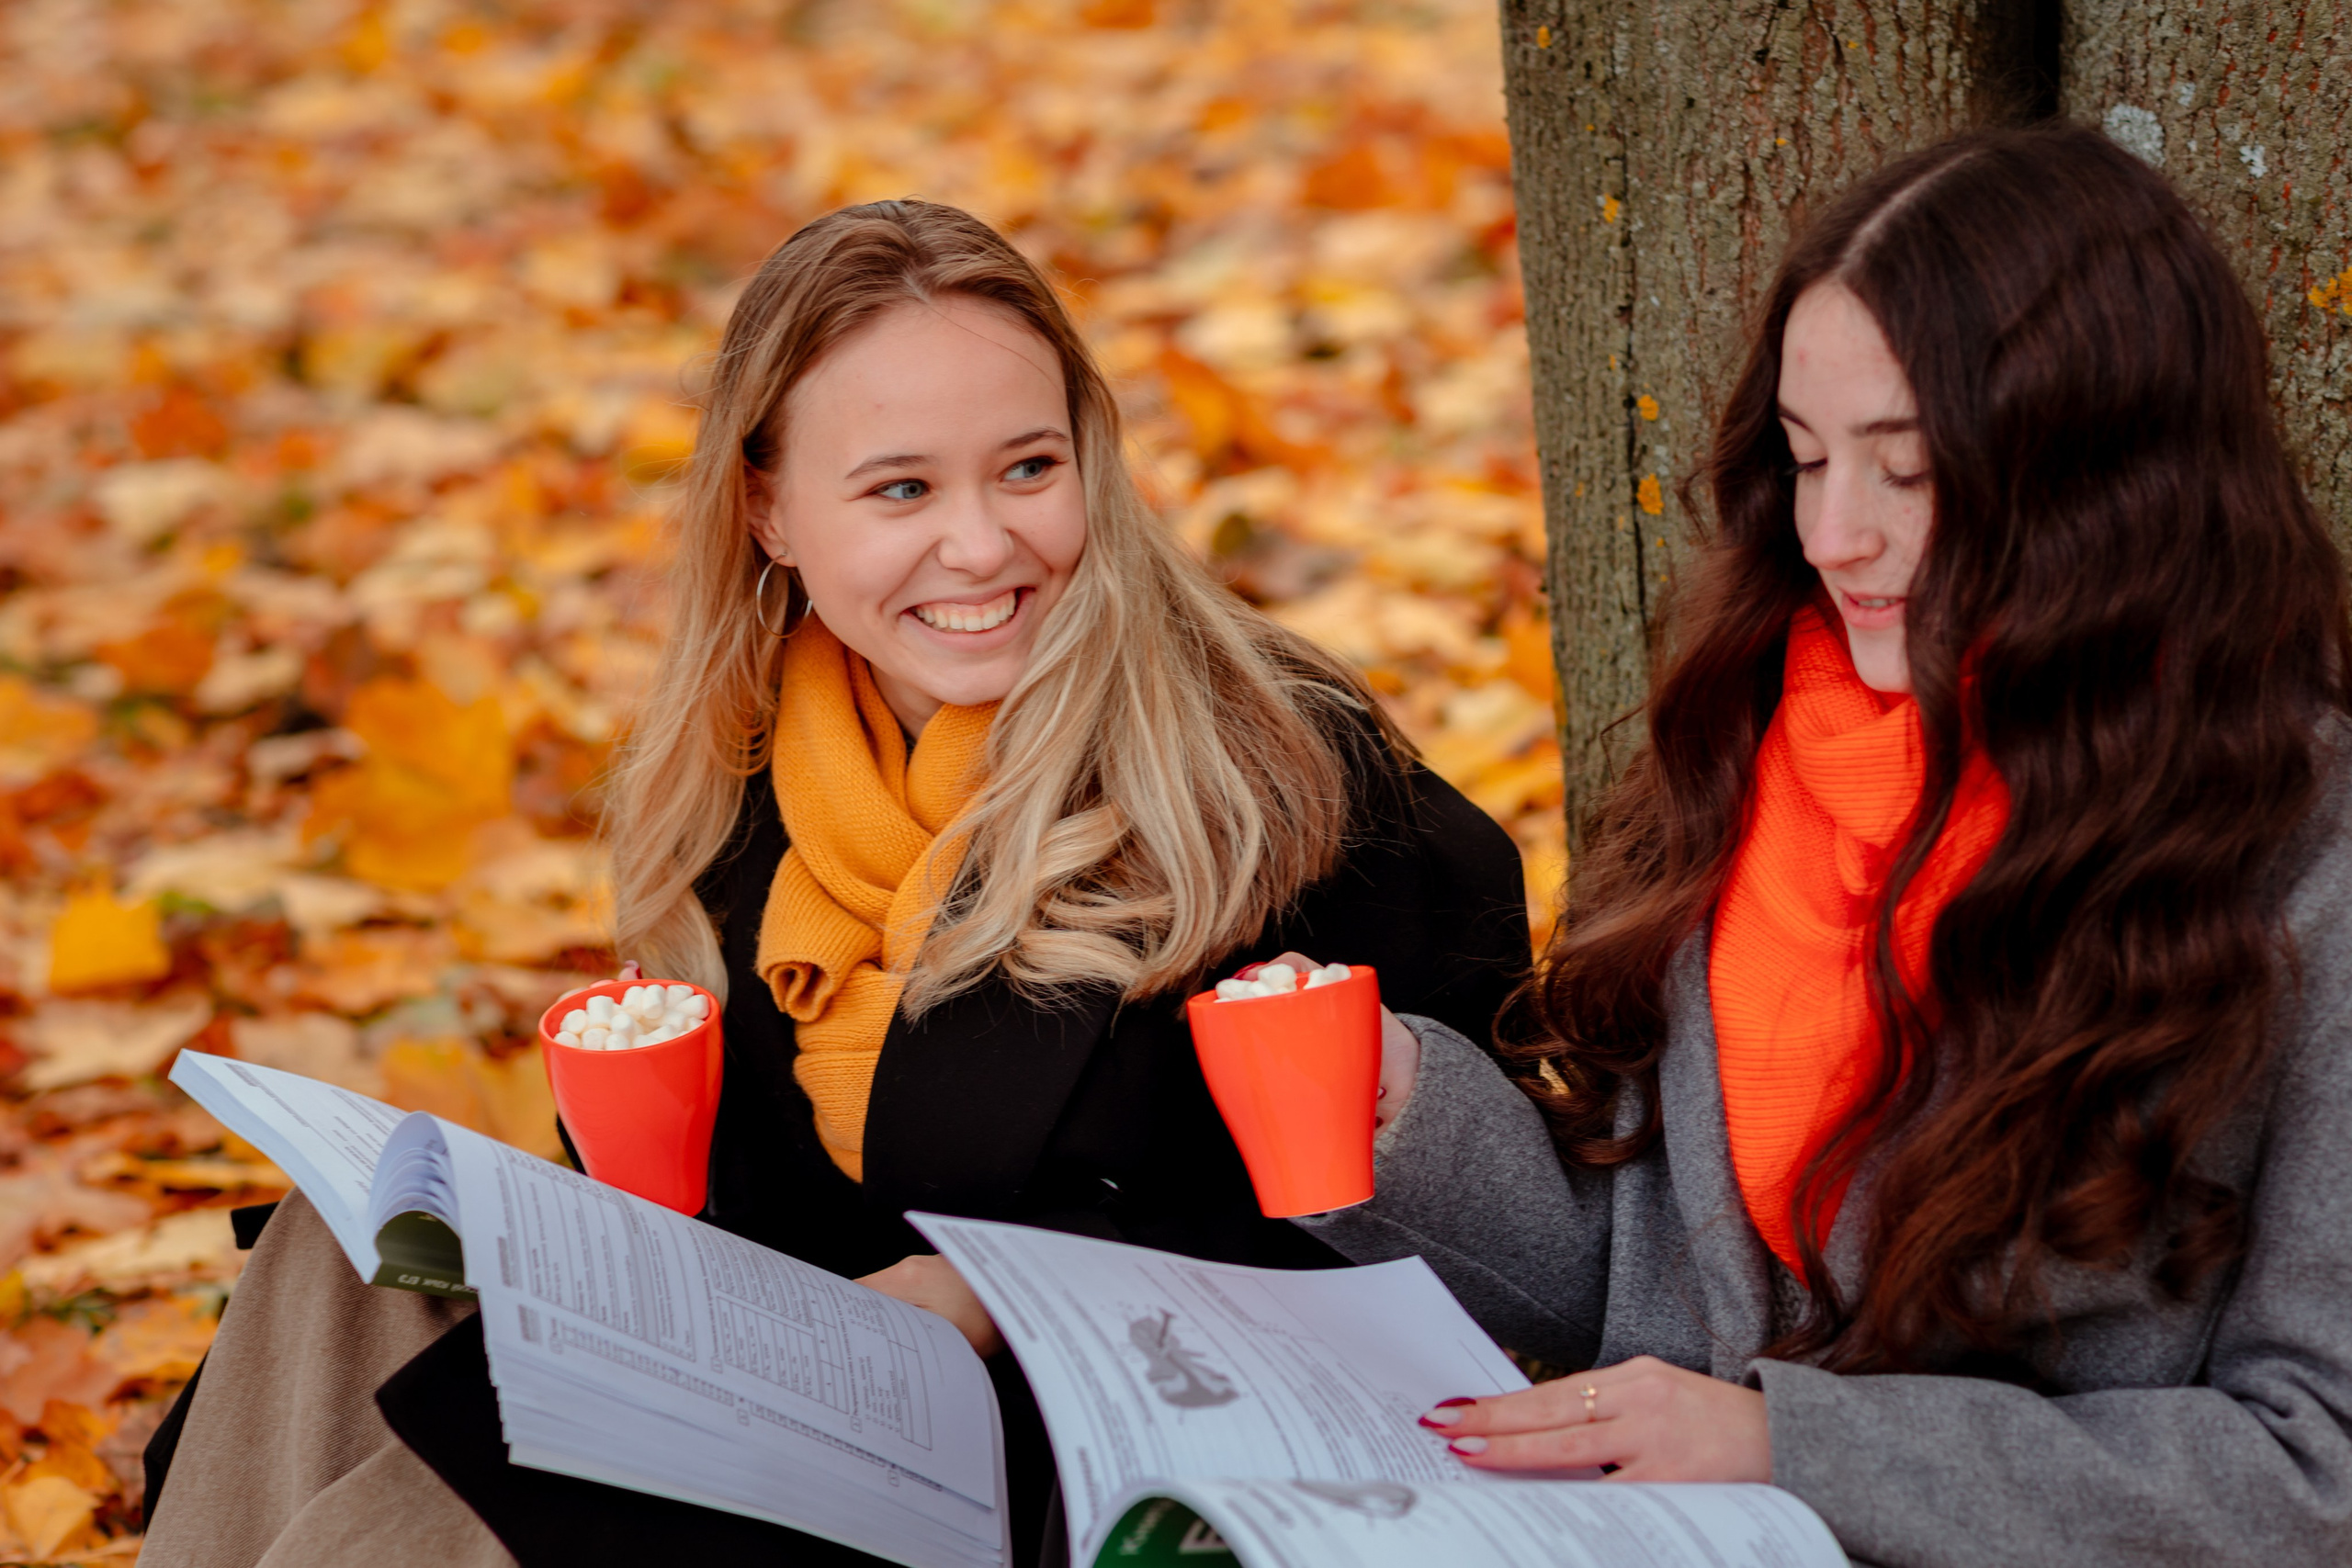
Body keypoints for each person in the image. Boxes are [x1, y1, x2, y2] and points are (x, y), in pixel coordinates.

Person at [138, 199, 1528, 1568]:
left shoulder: (1267, 769)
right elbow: (727, 1207)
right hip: (785, 1382)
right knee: (341, 1251)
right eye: (902, 489)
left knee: (437, 1513)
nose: (983, 547)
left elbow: (1437, 1255)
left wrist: (987, 1288)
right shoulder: (739, 779)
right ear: (770, 512)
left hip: (1071, 1456)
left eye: (1029, 469)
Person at [1283, 122, 2352, 1565]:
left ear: (2112, 476)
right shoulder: (1758, 733)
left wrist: (1800, 1449)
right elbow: (1652, 1303)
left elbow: (2319, 1469)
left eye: (1907, 473)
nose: (1836, 533)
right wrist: (1397, 1111)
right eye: (1805, 458)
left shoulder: (2302, 849)